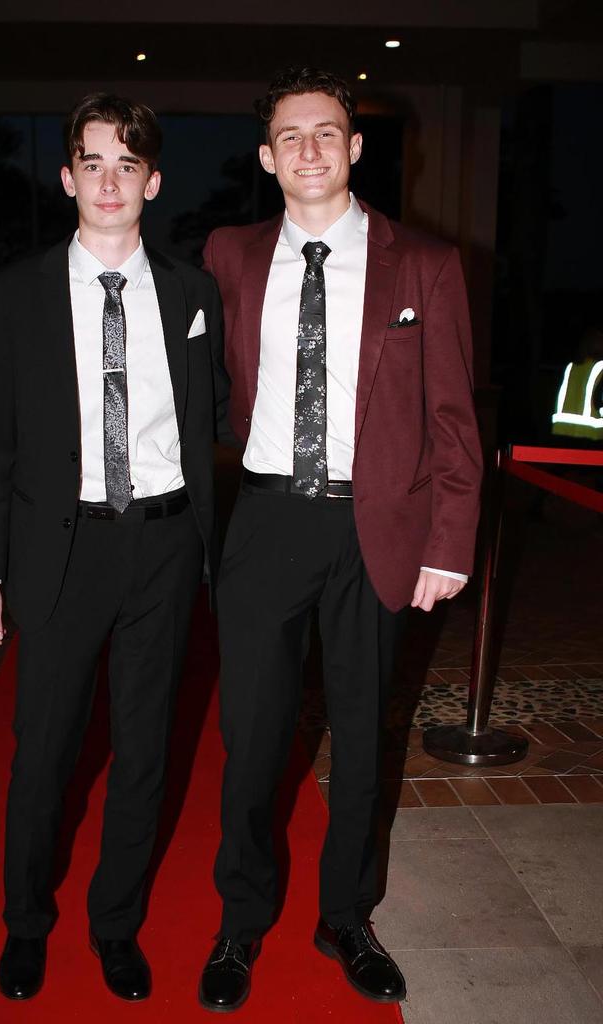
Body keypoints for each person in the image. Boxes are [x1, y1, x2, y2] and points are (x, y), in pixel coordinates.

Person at [198, 67, 482, 1013]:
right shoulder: (229, 256)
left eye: (328, 132)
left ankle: (346, 918)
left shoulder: (427, 265)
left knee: (363, 739)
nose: (310, 149)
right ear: (268, 156)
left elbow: (453, 420)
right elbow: (199, 397)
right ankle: (241, 920)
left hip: (380, 526)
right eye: (291, 135)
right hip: (269, 516)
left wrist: (449, 540)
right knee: (254, 737)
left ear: (356, 148)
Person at [0, 92, 228, 1003]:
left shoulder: (194, 293)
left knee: (147, 749)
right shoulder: (14, 293)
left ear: (152, 181)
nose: (110, 181)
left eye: (129, 164)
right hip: (62, 552)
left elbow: (210, 417)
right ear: (67, 174)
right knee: (45, 750)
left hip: (160, 545)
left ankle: (115, 925)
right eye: (94, 162)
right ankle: (26, 923)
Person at [551, 325, 603, 442]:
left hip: (563, 430)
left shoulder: (571, 367)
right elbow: (600, 401)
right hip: (592, 434)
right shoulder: (601, 367)